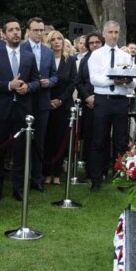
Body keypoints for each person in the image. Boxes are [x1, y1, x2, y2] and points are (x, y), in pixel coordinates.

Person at [0, 19, 39, 202]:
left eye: (18, 29)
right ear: (4, 34)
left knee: (21, 152)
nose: (15, 33)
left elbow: (36, 81)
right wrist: (9, 85)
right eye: (11, 30)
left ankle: (18, 188)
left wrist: (28, 87)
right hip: (1, 111)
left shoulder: (29, 56)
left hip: (23, 111)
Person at [87, 21, 134, 192]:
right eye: (111, 32)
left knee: (121, 141)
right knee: (99, 139)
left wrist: (128, 80)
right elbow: (94, 79)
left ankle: (121, 178)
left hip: (121, 100)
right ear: (104, 34)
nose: (114, 35)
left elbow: (134, 82)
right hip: (103, 100)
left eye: (116, 32)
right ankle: (96, 178)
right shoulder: (97, 54)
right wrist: (113, 79)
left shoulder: (126, 56)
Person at [22, 16, 58, 192]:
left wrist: (49, 82)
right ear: (28, 30)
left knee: (40, 142)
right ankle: (21, 179)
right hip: (24, 100)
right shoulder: (20, 48)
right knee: (22, 142)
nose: (39, 33)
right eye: (35, 30)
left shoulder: (48, 52)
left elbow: (55, 75)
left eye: (41, 30)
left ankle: (37, 179)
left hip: (43, 101)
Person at [43, 30, 77, 185]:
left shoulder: (69, 60)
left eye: (59, 39)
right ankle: (45, 173)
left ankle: (56, 174)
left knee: (60, 140)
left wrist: (60, 100)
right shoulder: (44, 59)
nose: (57, 42)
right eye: (53, 39)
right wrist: (49, 100)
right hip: (46, 104)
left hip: (63, 105)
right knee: (46, 140)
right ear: (48, 42)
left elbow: (73, 83)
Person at [76, 32, 102, 182]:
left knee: (102, 137)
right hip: (88, 103)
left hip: (103, 102)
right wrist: (87, 97)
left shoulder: (106, 58)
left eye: (97, 42)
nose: (94, 45)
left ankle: (102, 169)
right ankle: (89, 170)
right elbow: (78, 82)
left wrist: (97, 97)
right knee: (88, 137)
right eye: (91, 43)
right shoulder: (85, 60)